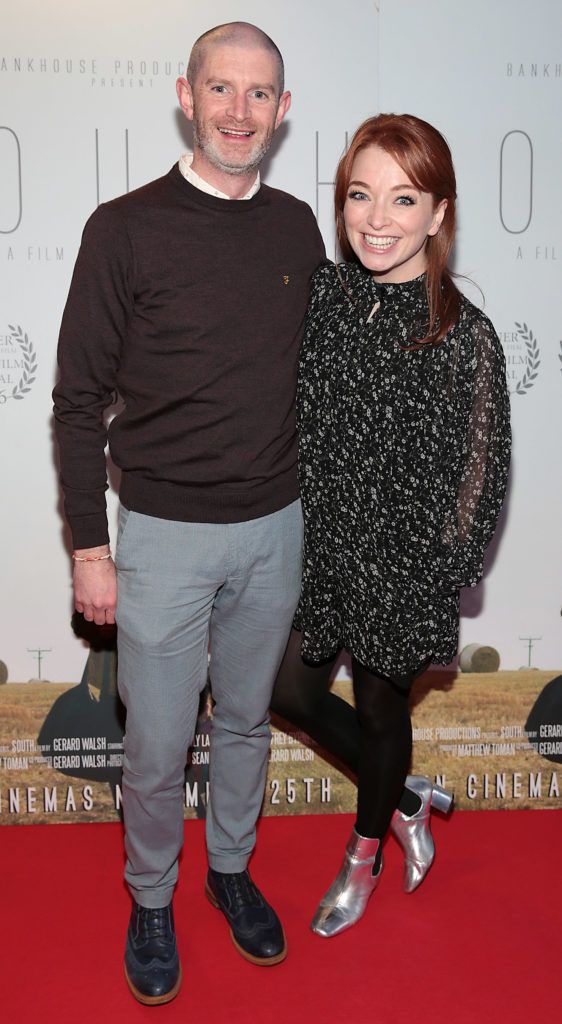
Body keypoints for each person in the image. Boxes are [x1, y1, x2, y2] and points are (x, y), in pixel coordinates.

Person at [53, 22, 325, 1004]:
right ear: (186, 95)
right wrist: (92, 546)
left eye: (259, 94)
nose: (239, 112)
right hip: (161, 535)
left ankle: (230, 871)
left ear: (283, 110)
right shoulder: (122, 229)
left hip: (275, 526)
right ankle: (153, 894)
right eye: (222, 89)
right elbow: (77, 399)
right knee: (159, 740)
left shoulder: (299, 227)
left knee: (248, 720)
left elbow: (318, 380)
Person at [271, 113, 511, 938]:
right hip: (322, 550)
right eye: (360, 196)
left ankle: (365, 850)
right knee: (287, 693)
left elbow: (487, 467)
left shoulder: (464, 335)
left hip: (406, 567)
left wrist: (445, 571)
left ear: (438, 213)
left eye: (402, 198)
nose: (376, 219)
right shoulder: (326, 303)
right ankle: (406, 793)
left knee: (381, 716)